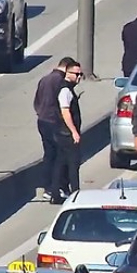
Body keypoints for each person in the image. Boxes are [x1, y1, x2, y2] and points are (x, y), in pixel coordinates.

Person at [34, 57, 76, 200]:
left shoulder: (44, 79)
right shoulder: (60, 83)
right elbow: (62, 105)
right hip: (54, 123)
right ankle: (58, 187)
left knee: (49, 154)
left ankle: (48, 187)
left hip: (42, 120)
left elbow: (37, 101)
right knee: (60, 156)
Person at [53, 61, 83, 203]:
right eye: (76, 74)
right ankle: (75, 193)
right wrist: (74, 132)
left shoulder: (68, 89)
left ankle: (56, 193)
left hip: (62, 133)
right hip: (66, 134)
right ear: (68, 73)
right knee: (73, 163)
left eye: (80, 74)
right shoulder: (65, 90)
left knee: (61, 163)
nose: (79, 77)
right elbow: (65, 112)